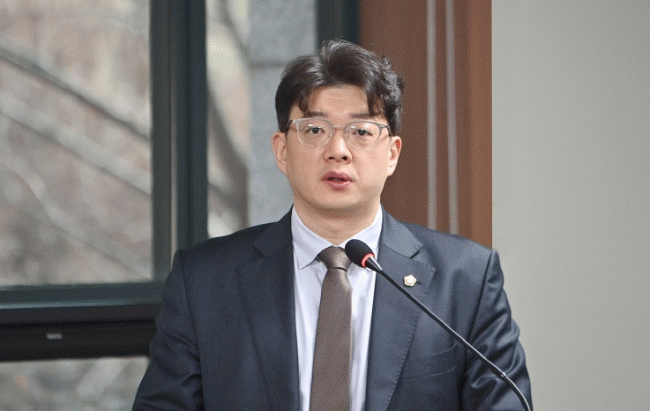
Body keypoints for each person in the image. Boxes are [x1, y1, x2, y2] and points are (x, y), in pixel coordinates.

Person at [133, 40, 532, 411]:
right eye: (315, 130)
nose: (338, 150)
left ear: (392, 154)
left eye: (361, 132)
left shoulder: (465, 280)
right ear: (281, 151)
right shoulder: (204, 281)